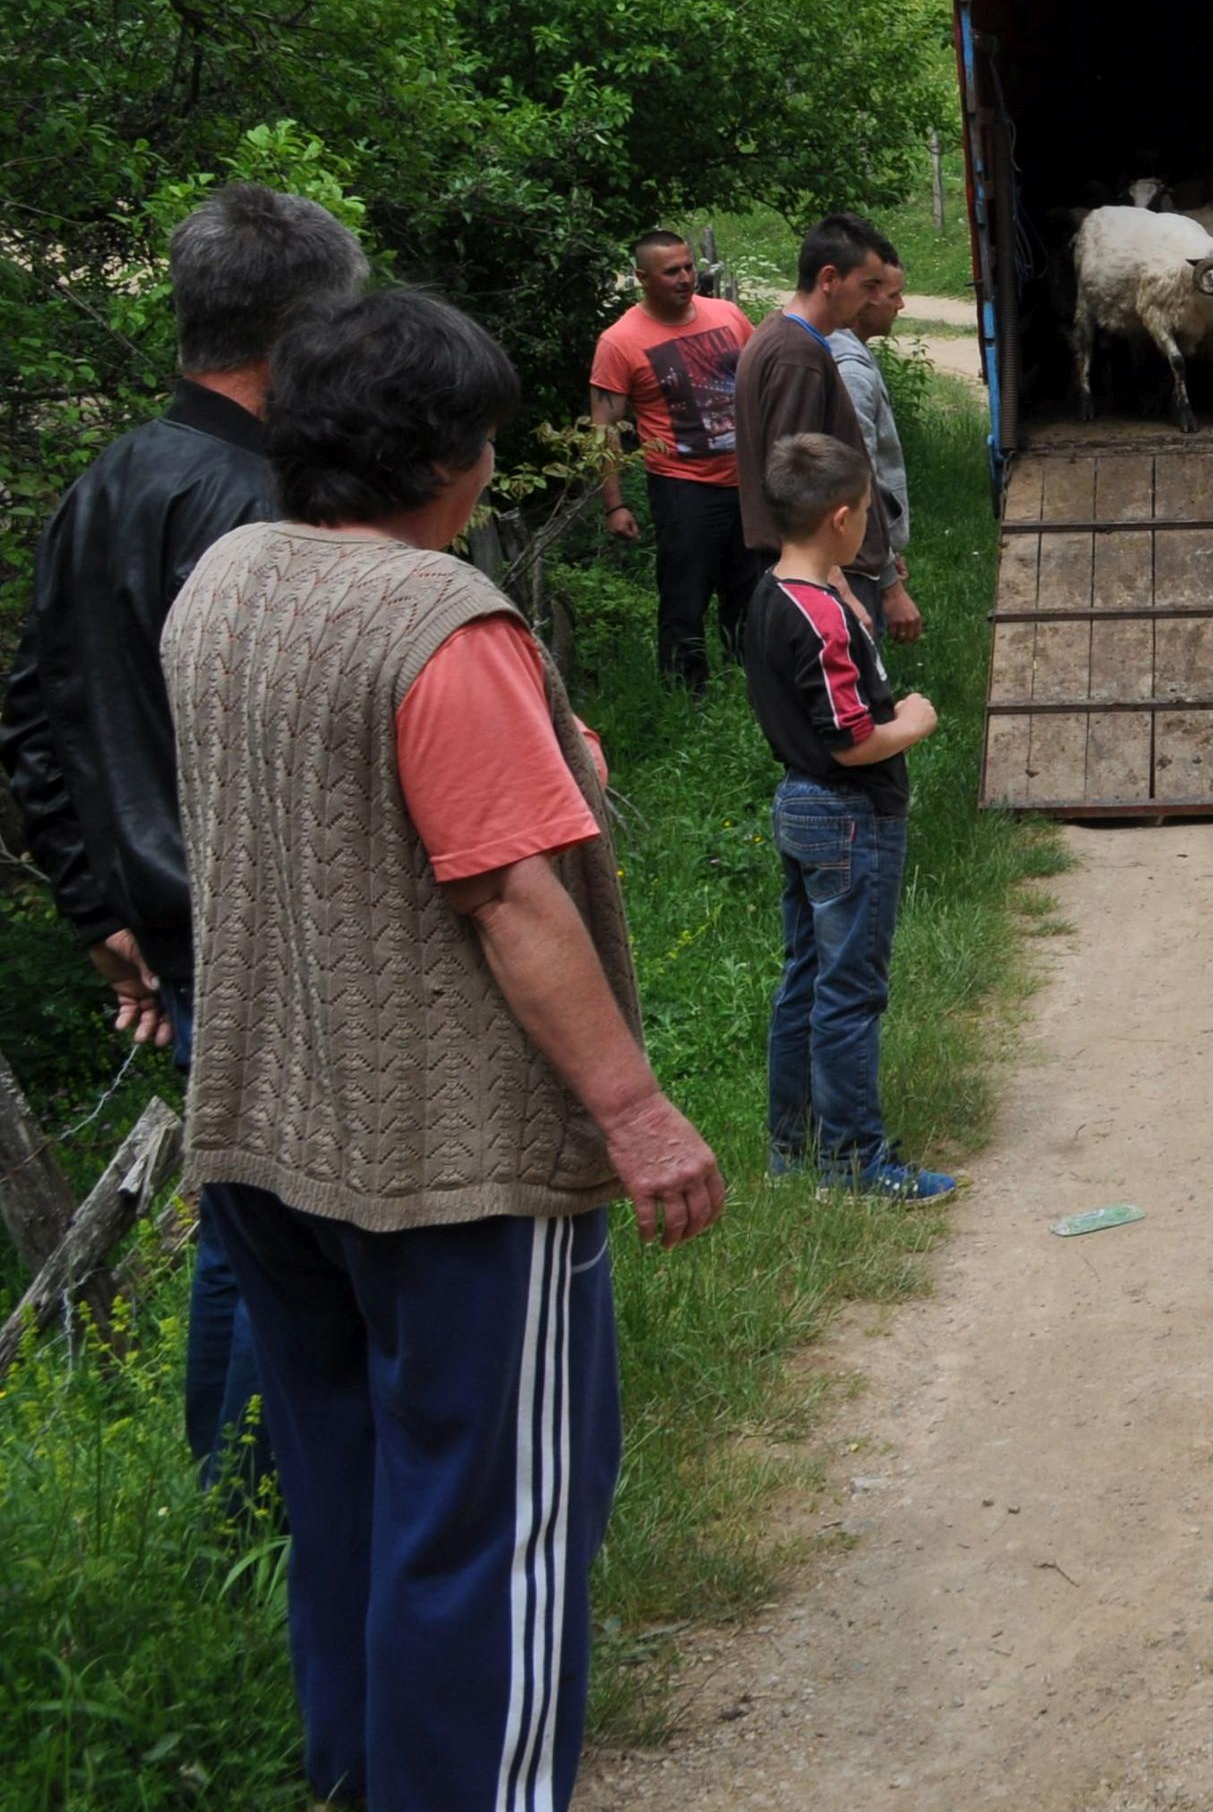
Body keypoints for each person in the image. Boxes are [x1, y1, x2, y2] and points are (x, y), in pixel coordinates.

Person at [164, 287, 724, 1812]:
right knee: (498, 1519)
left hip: (271, 1131)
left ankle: (367, 1772)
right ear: (448, 459)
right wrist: (638, 1113)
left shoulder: (222, 584)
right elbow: (509, 896)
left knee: (347, 1490)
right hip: (451, 1160)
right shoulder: (440, 620)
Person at [1, 184, 364, 1488]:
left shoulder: (105, 479)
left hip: (169, 925)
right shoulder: (256, 501)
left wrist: (102, 915)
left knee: (237, 1218)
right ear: (303, 334)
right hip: (259, 925)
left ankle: (234, 1495)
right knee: (300, 1229)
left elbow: (32, 716)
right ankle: (269, 1495)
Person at [743, 431, 953, 1203]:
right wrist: (916, 721)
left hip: (799, 808)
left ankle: (791, 1147)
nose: (870, 523)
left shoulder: (778, 593)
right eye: (866, 510)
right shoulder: (821, 618)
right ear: (839, 516)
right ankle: (856, 1160)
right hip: (848, 814)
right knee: (850, 992)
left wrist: (845, 592)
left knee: (805, 979)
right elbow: (852, 740)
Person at [589, 230, 757, 690]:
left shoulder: (727, 315)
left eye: (688, 267)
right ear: (642, 278)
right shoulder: (620, 341)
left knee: (751, 590)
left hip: (746, 482)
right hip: (683, 487)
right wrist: (615, 503)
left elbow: (764, 382)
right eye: (672, 272)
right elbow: (605, 428)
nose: (685, 278)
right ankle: (686, 695)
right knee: (685, 598)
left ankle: (749, 684)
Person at [732, 213, 902, 623]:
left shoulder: (783, 334)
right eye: (868, 286)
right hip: (822, 580)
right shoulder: (797, 356)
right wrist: (840, 590)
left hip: (821, 572)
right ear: (829, 279)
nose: (875, 300)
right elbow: (796, 484)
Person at [820, 250, 925, 642]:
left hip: (860, 551)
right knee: (860, 665)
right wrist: (887, 583)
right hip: (852, 563)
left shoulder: (847, 352)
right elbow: (858, 481)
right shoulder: (851, 372)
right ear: (866, 299)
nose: (901, 304)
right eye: (893, 295)